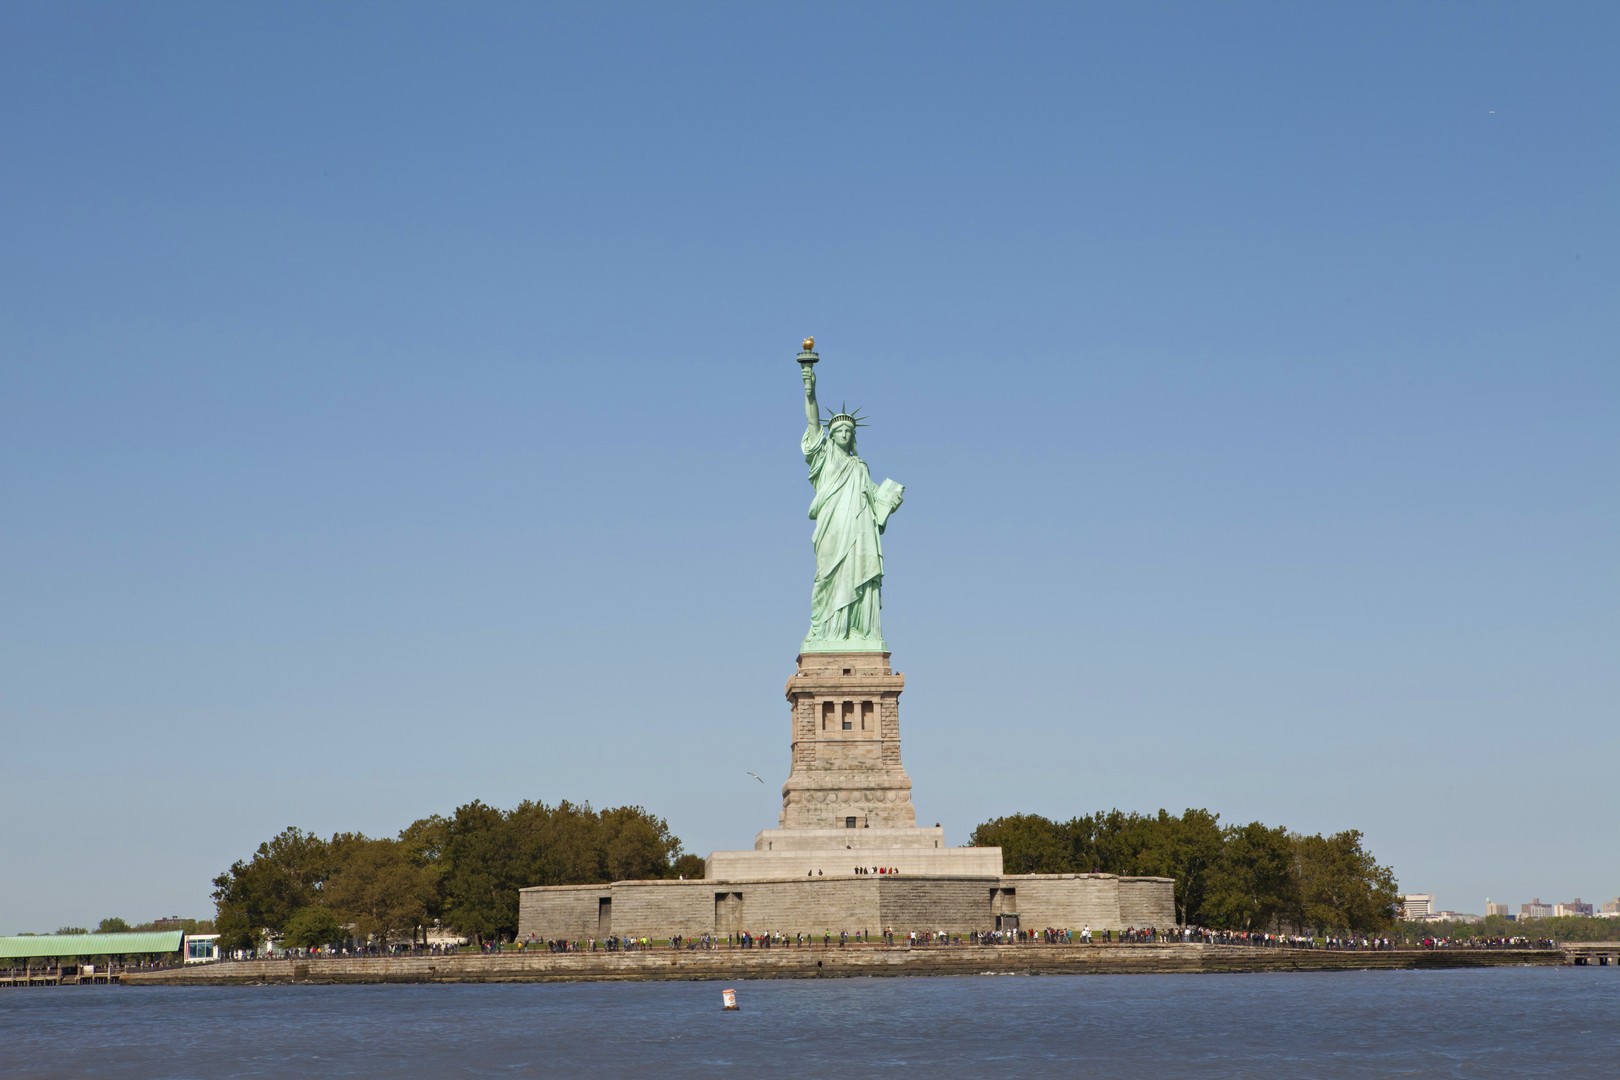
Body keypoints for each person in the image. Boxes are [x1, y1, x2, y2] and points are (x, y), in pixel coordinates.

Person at [800, 364, 903, 647]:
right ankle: (826, 630)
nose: (844, 433)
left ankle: (857, 630)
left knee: (858, 572)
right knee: (827, 578)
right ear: (831, 436)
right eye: (839, 429)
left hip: (858, 532)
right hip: (832, 528)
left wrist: (889, 500)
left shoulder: (860, 467)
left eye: (848, 430)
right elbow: (812, 424)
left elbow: (875, 501)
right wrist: (810, 390)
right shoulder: (825, 457)